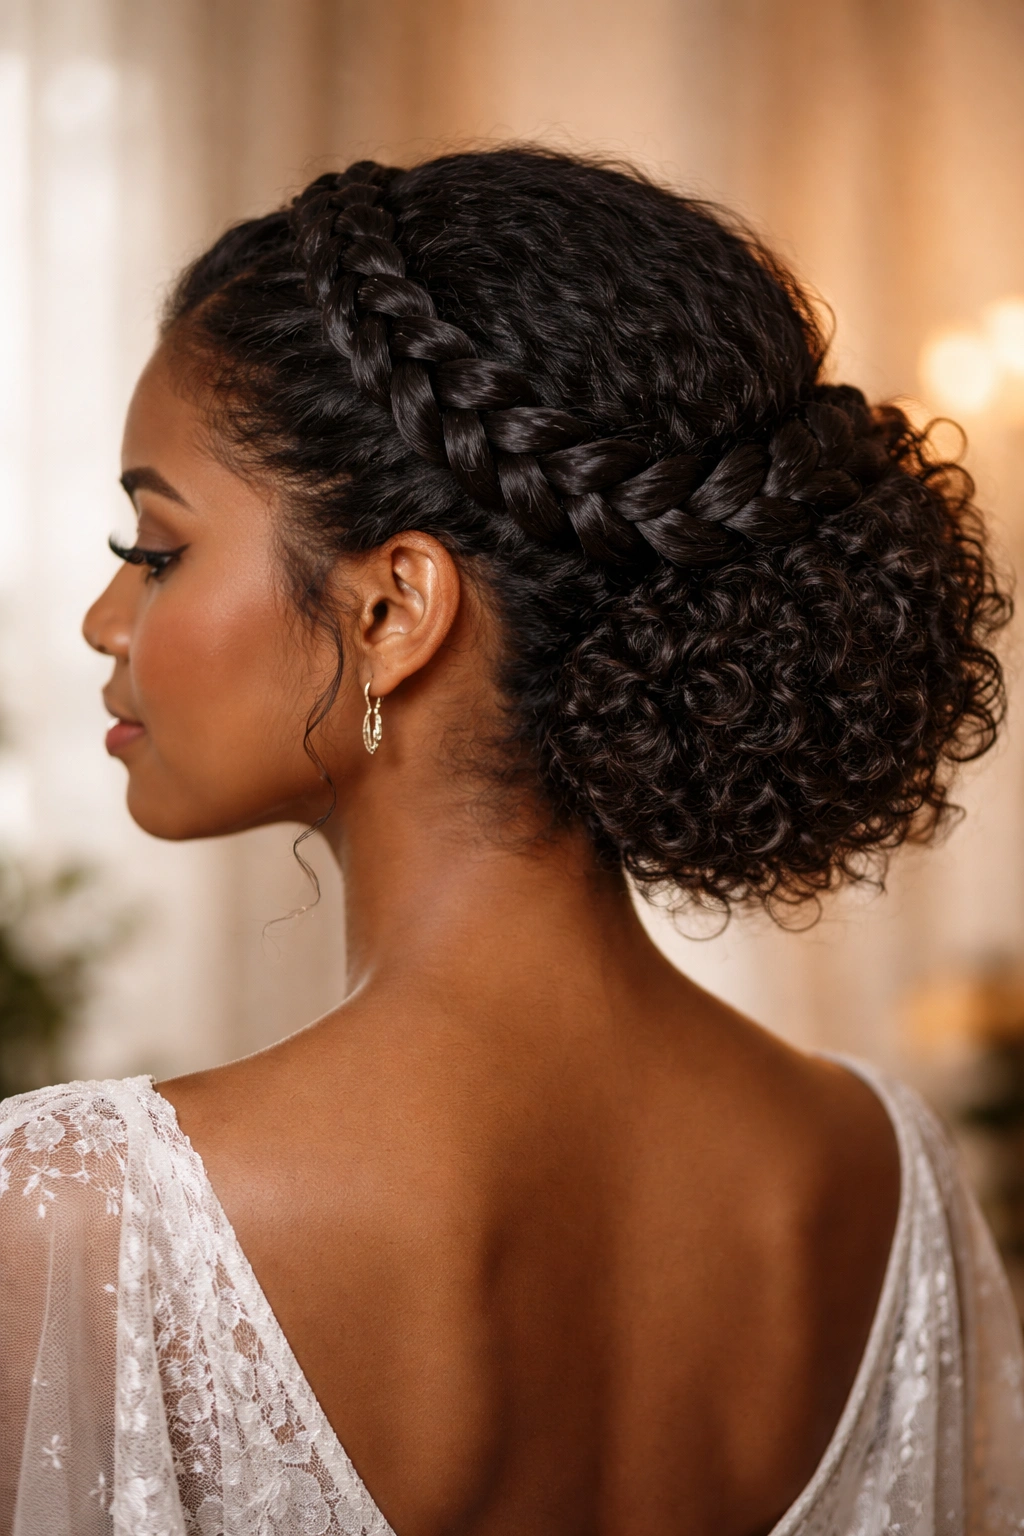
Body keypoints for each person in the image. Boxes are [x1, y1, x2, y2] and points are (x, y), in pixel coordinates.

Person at [1, 149, 1021, 1536]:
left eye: (158, 548)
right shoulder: (886, 1189)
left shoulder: (81, 1222)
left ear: (392, 610)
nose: (106, 623)